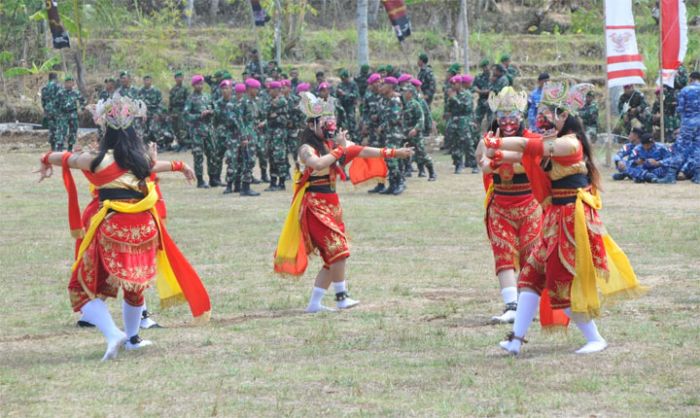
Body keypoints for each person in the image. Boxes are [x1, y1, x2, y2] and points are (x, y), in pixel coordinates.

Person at [36, 95, 210, 360]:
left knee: (81, 287)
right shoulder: (142, 160)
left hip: (114, 227)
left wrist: (45, 157)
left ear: (106, 132)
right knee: (135, 286)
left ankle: (114, 333)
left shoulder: (96, 160)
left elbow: (66, 158)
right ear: (133, 131)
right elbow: (157, 166)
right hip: (145, 230)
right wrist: (181, 166)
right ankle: (132, 338)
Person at [486, 81, 644, 355]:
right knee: (530, 278)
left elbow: (526, 144)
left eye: (552, 114)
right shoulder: (554, 143)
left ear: (565, 116)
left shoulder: (569, 144)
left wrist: (497, 143)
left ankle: (595, 338)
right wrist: (496, 153)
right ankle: (515, 340)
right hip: (554, 218)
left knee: (561, 283)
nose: (546, 119)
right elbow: (522, 153)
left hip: (571, 219)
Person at [273, 92, 414, 312]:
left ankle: (314, 304)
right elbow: (318, 164)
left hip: (331, 204)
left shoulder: (331, 146)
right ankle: (341, 298)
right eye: (324, 122)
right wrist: (340, 148)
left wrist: (395, 153)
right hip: (314, 206)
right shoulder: (306, 149)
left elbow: (361, 150)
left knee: (333, 257)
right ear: (312, 125)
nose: (329, 125)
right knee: (339, 250)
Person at [476, 86, 542, 324]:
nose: (507, 121)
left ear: (521, 116)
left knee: (531, 254)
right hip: (500, 205)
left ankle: (529, 304)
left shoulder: (532, 140)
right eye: (502, 117)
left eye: (512, 116)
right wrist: (490, 151)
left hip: (529, 204)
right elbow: (483, 164)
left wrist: (498, 155)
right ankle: (511, 305)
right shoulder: (489, 140)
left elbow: (530, 162)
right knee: (502, 253)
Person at [659, 71, 700, 183]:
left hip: (688, 124)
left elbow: (679, 109)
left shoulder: (685, 90)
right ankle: (698, 176)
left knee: (681, 148)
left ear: (690, 78)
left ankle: (671, 175)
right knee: (698, 148)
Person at [184, 75, 216, 188]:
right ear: (193, 85)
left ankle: (213, 178)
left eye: (202, 83)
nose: (200, 86)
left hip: (208, 130)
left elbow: (215, 109)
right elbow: (186, 115)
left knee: (212, 154)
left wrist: (210, 112)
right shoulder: (190, 99)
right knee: (198, 156)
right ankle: (200, 180)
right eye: (198, 84)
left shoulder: (207, 97)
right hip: (197, 131)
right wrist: (199, 116)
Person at [378, 76, 407, 194]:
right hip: (389, 133)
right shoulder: (388, 99)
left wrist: (382, 126)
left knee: (391, 158)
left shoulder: (395, 100)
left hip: (395, 133)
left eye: (384, 84)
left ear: (390, 86)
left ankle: (400, 182)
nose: (381, 87)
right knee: (388, 158)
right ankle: (393, 184)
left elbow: (394, 118)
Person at [263, 81, 290, 191]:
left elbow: (271, 110)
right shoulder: (270, 101)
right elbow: (265, 110)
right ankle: (273, 182)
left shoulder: (282, 100)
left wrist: (273, 116)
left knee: (279, 157)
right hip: (271, 132)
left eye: (271, 89)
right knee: (271, 157)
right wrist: (271, 115)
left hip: (279, 132)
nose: (269, 91)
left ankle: (282, 183)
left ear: (276, 90)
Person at [55, 75, 85, 152]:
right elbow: (56, 104)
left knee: (73, 131)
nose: (69, 84)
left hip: (73, 114)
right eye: (67, 82)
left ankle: (70, 147)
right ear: (65, 83)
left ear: (73, 84)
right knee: (62, 130)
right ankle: (59, 147)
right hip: (63, 114)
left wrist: (82, 108)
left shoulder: (76, 92)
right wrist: (57, 113)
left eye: (71, 82)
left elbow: (82, 100)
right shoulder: (60, 93)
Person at [139, 75, 163, 145]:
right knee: (143, 131)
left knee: (154, 129)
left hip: (154, 112)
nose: (147, 82)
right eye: (145, 80)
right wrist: (141, 113)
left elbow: (160, 103)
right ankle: (145, 145)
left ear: (151, 81)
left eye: (148, 80)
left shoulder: (156, 91)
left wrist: (157, 113)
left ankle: (158, 144)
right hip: (144, 113)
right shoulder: (140, 91)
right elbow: (138, 104)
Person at [169, 71, 190, 151]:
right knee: (176, 128)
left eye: (180, 77)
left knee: (182, 128)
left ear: (183, 78)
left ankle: (185, 144)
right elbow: (171, 102)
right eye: (177, 77)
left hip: (182, 110)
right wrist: (170, 112)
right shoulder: (173, 89)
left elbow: (188, 100)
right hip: (174, 111)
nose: (179, 79)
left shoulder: (185, 89)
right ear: (175, 79)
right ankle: (179, 143)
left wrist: (186, 111)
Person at [336, 69, 360, 138]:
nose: (343, 80)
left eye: (344, 78)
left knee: (351, 123)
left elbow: (355, 95)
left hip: (350, 107)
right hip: (341, 108)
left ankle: (354, 138)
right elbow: (336, 96)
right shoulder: (340, 85)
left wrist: (344, 94)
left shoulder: (353, 85)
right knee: (341, 124)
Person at [41, 72, 62, 150]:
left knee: (51, 128)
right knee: (58, 127)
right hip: (57, 110)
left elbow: (43, 101)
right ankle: (58, 145)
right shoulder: (58, 86)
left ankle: (52, 145)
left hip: (48, 110)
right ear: (56, 78)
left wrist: (46, 108)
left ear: (49, 78)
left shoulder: (45, 87)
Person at [474, 59, 493, 134]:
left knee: (491, 120)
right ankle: (476, 136)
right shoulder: (479, 77)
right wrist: (480, 91)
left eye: (486, 66)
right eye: (483, 67)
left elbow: (494, 89)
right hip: (481, 100)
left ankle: (492, 137)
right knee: (476, 119)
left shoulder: (494, 76)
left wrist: (486, 91)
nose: (485, 68)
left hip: (491, 101)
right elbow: (474, 87)